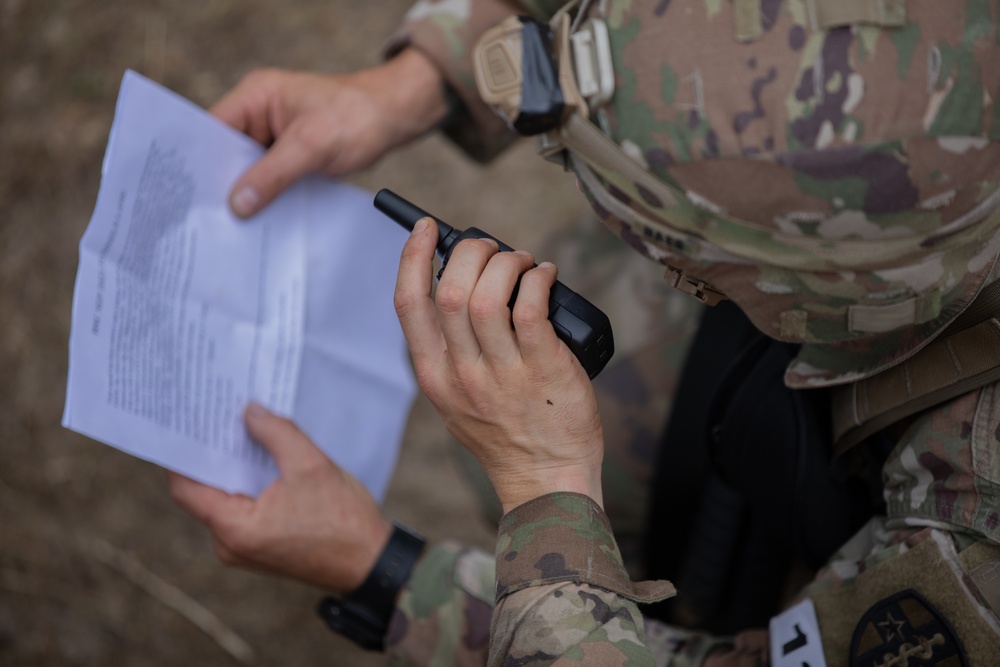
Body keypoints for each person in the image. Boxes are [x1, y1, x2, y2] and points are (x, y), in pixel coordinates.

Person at [169, 1, 1000, 665]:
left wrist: (408, 564)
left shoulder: (981, 549)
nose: (647, 249)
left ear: (832, 272)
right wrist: (422, 79)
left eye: (672, 242)